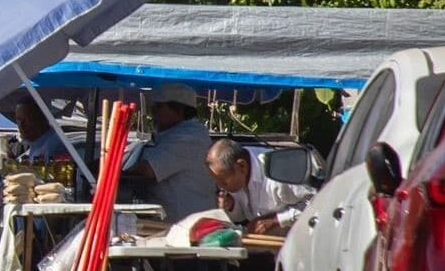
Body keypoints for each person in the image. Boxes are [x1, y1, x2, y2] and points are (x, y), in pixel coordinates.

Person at [125, 83, 218, 222]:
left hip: (190, 226)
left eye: (159, 107)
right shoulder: (172, 134)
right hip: (177, 223)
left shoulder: (189, 138)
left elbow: (149, 169)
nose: (153, 112)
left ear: (178, 109)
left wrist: (115, 169)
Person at [205, 139, 315, 236]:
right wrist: (231, 205)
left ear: (242, 166)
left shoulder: (278, 173)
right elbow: (243, 215)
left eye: (224, 182)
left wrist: (276, 220)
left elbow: (317, 203)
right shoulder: (234, 172)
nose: (220, 187)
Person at [14, 99, 67, 163]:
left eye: (27, 119)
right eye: (18, 120)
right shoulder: (36, 144)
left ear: (40, 119)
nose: (21, 125)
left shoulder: (54, 145)